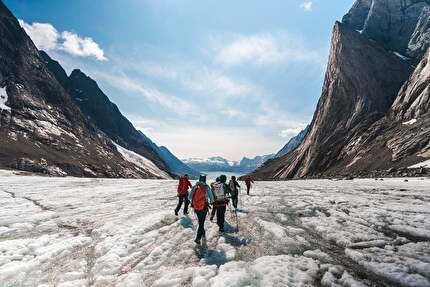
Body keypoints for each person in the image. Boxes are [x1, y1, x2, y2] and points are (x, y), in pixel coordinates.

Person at [188, 174, 214, 245]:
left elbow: (189, 197)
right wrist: (212, 202)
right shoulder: (206, 187)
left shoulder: (195, 187)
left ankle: (203, 232)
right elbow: (211, 197)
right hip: (204, 207)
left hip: (196, 207)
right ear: (205, 179)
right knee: (201, 222)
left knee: (200, 221)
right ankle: (198, 238)